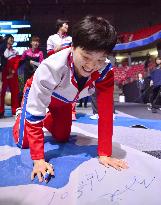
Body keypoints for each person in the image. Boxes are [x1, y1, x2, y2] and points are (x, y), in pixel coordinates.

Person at [13, 15, 128, 183]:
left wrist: (104, 153)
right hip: (39, 93)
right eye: (86, 57)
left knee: (62, 136)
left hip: (64, 100)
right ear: (73, 47)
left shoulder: (105, 71)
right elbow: (35, 111)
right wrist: (38, 159)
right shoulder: (52, 66)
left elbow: (105, 113)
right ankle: (20, 115)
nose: (91, 66)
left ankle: (45, 119)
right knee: (24, 142)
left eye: (100, 59)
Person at [0, 34, 20, 118]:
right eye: (10, 38)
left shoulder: (15, 51)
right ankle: (1, 111)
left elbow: (17, 62)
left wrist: (13, 71)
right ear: (6, 39)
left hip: (13, 74)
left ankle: (15, 110)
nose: (12, 39)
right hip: (3, 74)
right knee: (1, 93)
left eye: (13, 39)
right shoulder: (1, 49)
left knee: (15, 92)